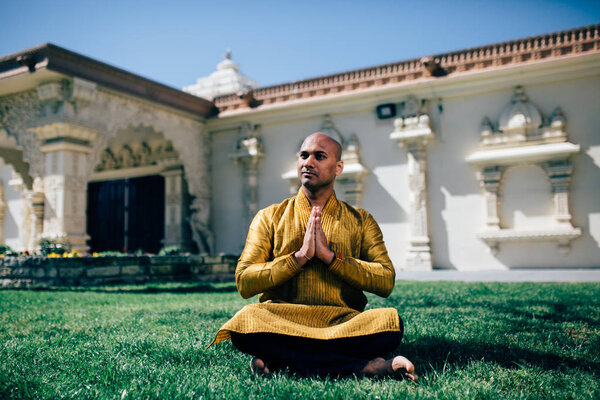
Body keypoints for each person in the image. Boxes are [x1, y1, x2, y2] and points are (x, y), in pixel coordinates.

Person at [211, 132, 417, 380]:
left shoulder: (361, 220)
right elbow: (244, 281)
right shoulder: (269, 217)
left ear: (338, 167)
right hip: (282, 319)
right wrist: (299, 258)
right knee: (246, 320)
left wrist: (331, 257)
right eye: (303, 155)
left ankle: (280, 361)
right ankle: (364, 368)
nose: (308, 162)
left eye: (319, 156)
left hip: (342, 322)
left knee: (389, 322)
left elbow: (385, 280)